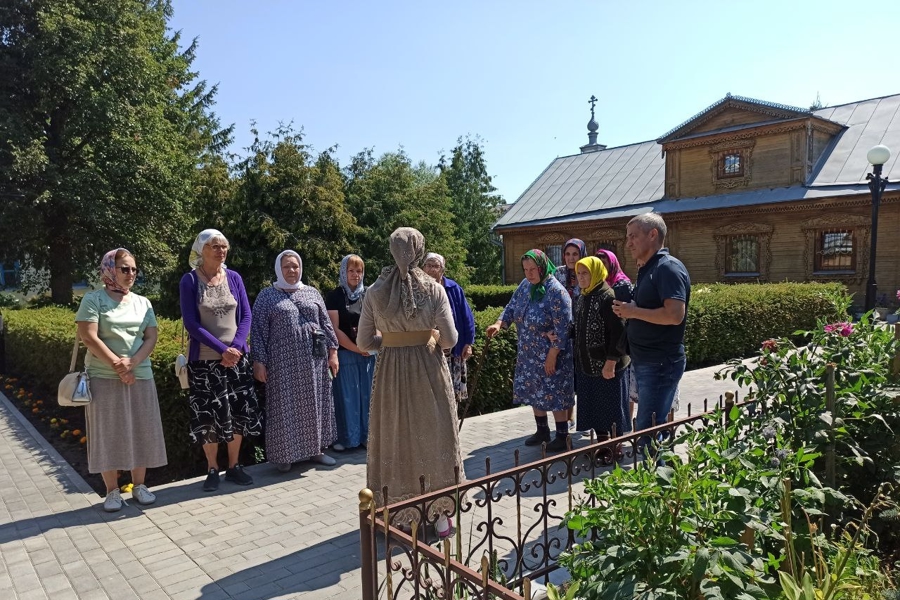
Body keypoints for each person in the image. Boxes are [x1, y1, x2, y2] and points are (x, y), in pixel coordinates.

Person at [358, 227, 464, 530]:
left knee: (395, 438)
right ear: (419, 251)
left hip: (390, 372)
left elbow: (365, 342)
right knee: (434, 435)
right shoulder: (433, 289)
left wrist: (389, 344)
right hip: (428, 369)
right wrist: (424, 338)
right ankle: (441, 514)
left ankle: (399, 515)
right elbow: (450, 340)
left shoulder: (375, 291)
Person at [75, 249, 167, 512]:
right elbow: (89, 337)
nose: (131, 274)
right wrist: (118, 365)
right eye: (124, 269)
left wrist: (132, 363)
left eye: (134, 270)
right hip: (104, 377)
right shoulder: (93, 300)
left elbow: (150, 337)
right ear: (109, 270)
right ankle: (112, 491)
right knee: (108, 433)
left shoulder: (143, 302)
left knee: (142, 429)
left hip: (140, 375)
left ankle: (139, 485)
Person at [180, 229, 262, 492]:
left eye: (224, 246)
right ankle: (212, 468)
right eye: (215, 246)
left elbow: (246, 315)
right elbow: (191, 323)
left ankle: (234, 466)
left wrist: (235, 348)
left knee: (238, 413)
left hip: (237, 360)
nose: (221, 250)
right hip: (204, 363)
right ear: (201, 249)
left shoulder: (234, 278)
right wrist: (221, 349)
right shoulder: (190, 281)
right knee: (208, 417)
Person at [251, 250, 340, 471]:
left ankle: (317, 450)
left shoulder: (312, 292)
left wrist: (333, 352)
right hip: (283, 364)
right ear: (278, 269)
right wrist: (259, 361)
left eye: (295, 266)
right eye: (287, 267)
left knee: (316, 403)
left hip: (315, 362)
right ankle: (285, 455)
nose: (292, 270)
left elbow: (326, 324)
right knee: (284, 407)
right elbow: (258, 330)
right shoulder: (267, 296)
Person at [612, 214, 690, 453]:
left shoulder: (668, 268)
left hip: (660, 362)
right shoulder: (649, 268)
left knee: (649, 432)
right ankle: (663, 483)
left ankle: (659, 485)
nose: (628, 243)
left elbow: (674, 314)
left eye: (633, 236)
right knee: (654, 431)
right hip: (648, 361)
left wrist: (633, 312)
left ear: (653, 234)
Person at [486, 250, 574, 452]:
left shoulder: (556, 291)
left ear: (542, 267)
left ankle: (562, 436)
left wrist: (552, 355)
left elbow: (564, 328)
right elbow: (511, 307)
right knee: (535, 390)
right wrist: (499, 323)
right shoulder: (525, 286)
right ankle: (542, 430)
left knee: (555, 392)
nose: (529, 274)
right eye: (525, 270)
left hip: (551, 354)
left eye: (533, 269)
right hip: (529, 353)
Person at [570, 256, 630, 442]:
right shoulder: (583, 295)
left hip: (606, 365)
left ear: (596, 273)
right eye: (578, 273)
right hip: (587, 365)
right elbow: (580, 325)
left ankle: (615, 447)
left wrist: (611, 362)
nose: (581, 277)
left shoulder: (607, 297)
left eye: (585, 273)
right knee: (596, 409)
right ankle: (602, 444)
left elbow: (619, 331)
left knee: (611, 409)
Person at [325, 254, 376, 452]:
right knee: (347, 397)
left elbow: (378, 323)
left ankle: (367, 436)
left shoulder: (369, 295)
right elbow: (334, 329)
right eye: (351, 270)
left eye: (359, 271)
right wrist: (356, 348)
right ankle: (346, 438)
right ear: (343, 272)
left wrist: (372, 346)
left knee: (367, 397)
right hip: (346, 354)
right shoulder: (335, 295)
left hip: (369, 355)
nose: (356, 275)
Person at [423, 252, 475, 406]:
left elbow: (467, 317)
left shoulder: (453, 288)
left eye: (436, 266)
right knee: (431, 395)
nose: (432, 269)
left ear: (443, 270)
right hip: (428, 351)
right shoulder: (417, 289)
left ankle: (451, 425)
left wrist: (468, 343)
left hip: (453, 352)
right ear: (422, 268)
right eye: (429, 265)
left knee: (452, 395)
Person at [596, 248, 637, 424]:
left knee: (625, 389)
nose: (602, 267)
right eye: (599, 264)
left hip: (622, 344)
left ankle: (625, 426)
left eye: (604, 263)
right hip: (607, 345)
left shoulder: (621, 285)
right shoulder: (598, 284)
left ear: (612, 263)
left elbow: (623, 317)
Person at [555, 239, 586, 428]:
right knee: (564, 373)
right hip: (563, 329)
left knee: (579, 373)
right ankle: (566, 416)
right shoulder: (558, 273)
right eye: (568, 254)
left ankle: (575, 414)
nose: (571, 258)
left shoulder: (586, 270)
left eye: (575, 254)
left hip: (582, 329)